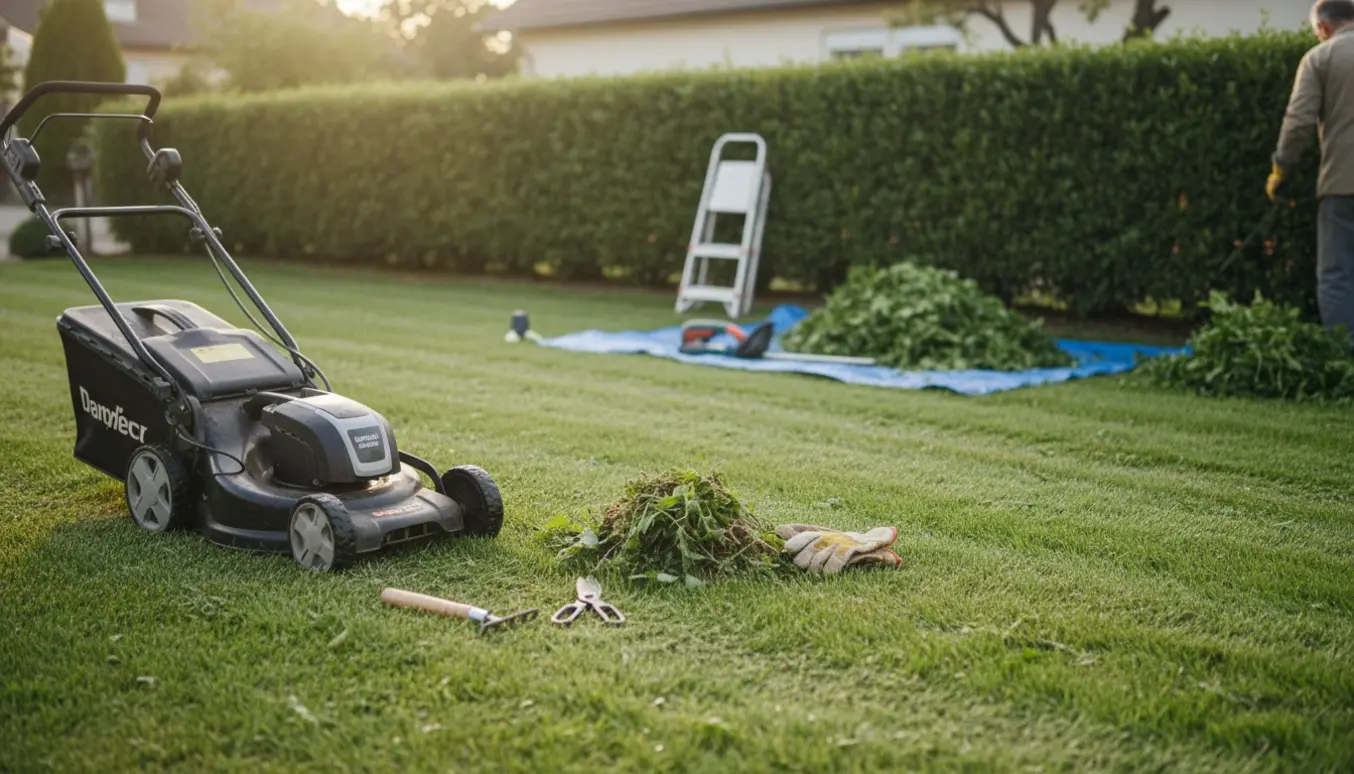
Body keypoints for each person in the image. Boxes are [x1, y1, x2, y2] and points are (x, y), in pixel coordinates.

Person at [1268, 0, 1354, 340]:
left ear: (1323, 28)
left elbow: (1299, 123)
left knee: (1336, 275)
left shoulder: (1321, 57)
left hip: (1342, 182)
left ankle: (1345, 363)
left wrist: (1281, 169)